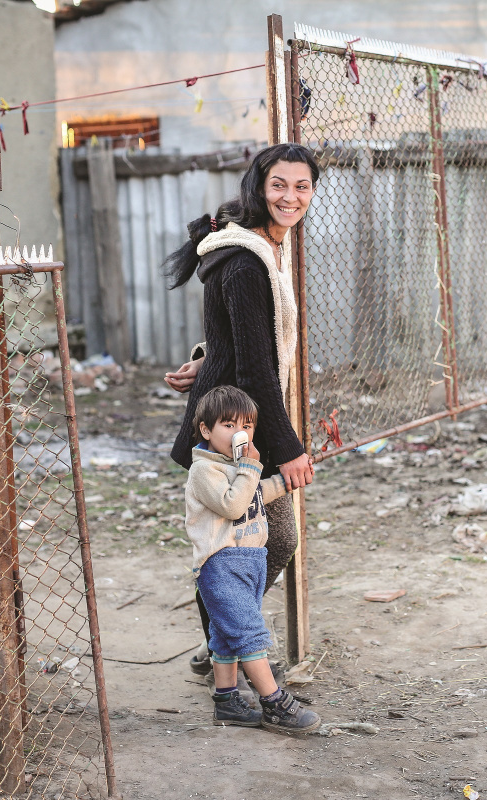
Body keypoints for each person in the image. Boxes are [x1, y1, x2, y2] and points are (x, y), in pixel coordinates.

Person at [162, 143, 319, 677]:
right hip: (235, 431)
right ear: (258, 186)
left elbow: (232, 335)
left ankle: (221, 642)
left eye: (302, 186)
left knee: (249, 543)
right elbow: (255, 369)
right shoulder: (248, 261)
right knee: (263, 542)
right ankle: (231, 645)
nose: (291, 196)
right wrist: (290, 449)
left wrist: (204, 360)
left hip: (235, 414)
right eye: (280, 185)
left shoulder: (266, 247)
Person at [184, 385, 321, 734]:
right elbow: (233, 504)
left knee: (226, 635)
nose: (239, 433)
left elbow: (256, 493)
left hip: (248, 561)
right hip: (221, 564)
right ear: (205, 430)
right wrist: (250, 466)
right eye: (229, 425)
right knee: (248, 635)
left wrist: (290, 481)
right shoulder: (204, 471)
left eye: (247, 425)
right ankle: (274, 703)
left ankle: (227, 701)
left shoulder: (237, 467)